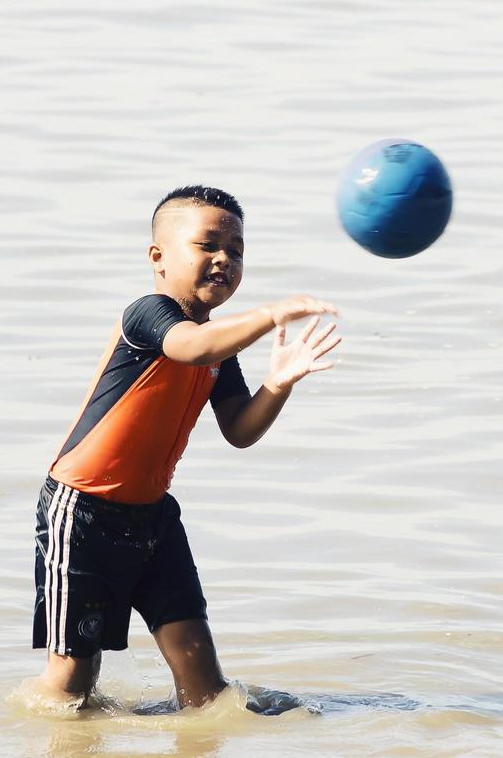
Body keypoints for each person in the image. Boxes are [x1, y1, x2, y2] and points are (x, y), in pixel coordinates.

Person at [32, 184, 342, 711]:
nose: (225, 259)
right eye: (208, 245)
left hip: (153, 519)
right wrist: (270, 314)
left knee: (207, 690)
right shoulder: (149, 315)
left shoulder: (218, 344)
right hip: (81, 512)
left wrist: (279, 384)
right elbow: (190, 347)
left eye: (237, 251)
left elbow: (240, 430)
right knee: (71, 688)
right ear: (158, 257)